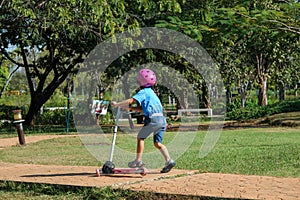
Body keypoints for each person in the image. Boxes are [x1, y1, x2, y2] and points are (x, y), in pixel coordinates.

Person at [111, 68, 176, 173]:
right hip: (162, 120)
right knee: (157, 143)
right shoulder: (152, 93)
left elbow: (131, 100)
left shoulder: (143, 92)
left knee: (140, 138)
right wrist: (130, 108)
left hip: (152, 119)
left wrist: (117, 104)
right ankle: (169, 160)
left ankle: (138, 160)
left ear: (141, 82)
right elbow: (143, 108)